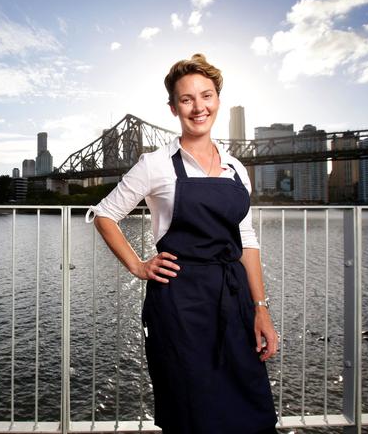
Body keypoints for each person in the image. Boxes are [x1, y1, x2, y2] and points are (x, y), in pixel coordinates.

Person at [85, 54, 278, 434]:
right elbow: (105, 214)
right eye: (187, 99)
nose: (198, 107)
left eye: (206, 96)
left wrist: (260, 309)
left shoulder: (237, 168)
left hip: (233, 298)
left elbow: (247, 241)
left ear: (218, 101)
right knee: (190, 412)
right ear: (173, 108)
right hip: (178, 303)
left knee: (250, 410)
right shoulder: (155, 164)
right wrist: (139, 266)